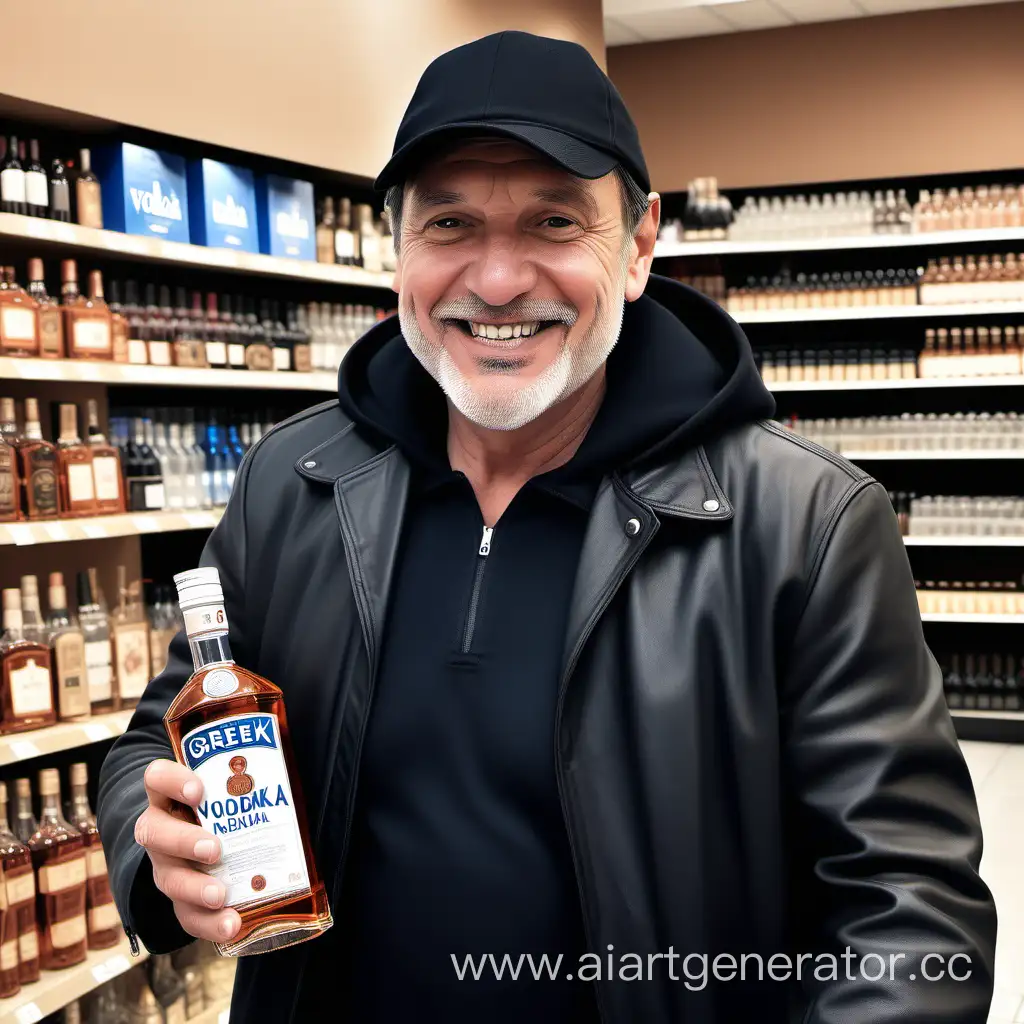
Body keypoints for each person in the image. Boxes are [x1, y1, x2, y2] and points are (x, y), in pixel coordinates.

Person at [98, 30, 996, 1024]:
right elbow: (159, 733)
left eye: (554, 221)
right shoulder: (294, 482)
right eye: (448, 223)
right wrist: (158, 845)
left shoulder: (803, 525)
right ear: (397, 245)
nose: (494, 280)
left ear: (640, 244)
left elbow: (910, 916)